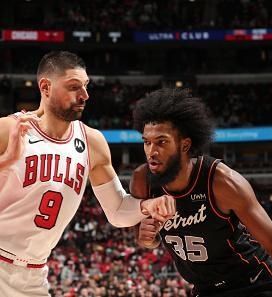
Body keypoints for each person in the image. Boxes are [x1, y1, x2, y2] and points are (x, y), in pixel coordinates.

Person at [0, 51, 175, 297]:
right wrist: (6, 159)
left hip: (33, 275)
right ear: (46, 87)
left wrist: (148, 205)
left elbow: (117, 212)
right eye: (74, 87)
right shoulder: (9, 129)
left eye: (85, 86)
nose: (84, 95)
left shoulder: (92, 142)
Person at [131, 88, 272, 297]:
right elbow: (144, 237)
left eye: (161, 142)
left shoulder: (222, 182)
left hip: (253, 284)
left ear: (185, 145)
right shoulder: (142, 182)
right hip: (205, 289)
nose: (151, 152)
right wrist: (148, 239)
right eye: (147, 142)